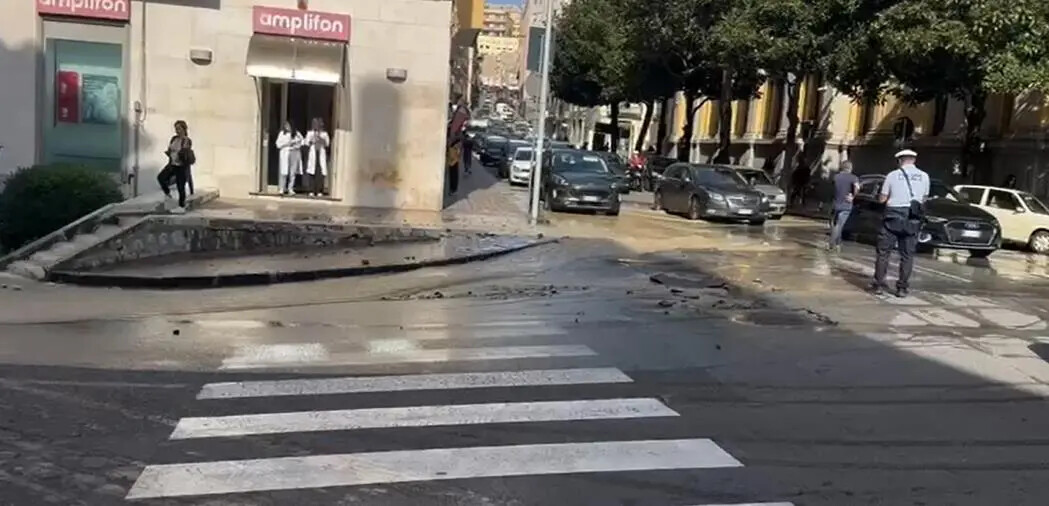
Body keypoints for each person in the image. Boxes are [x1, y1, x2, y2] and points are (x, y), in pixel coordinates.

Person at [870, 149, 930, 297]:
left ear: (900, 160)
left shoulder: (892, 175)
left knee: (883, 253)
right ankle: (902, 288)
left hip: (892, 217)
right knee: (907, 255)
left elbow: (882, 199)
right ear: (914, 160)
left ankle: (879, 285)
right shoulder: (924, 176)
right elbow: (923, 199)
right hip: (911, 218)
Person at [157, 120, 194, 213]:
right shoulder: (174, 138)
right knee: (161, 177)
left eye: (179, 128)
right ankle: (168, 194)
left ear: (184, 129)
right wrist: (169, 152)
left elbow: (185, 151)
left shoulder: (186, 140)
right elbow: (170, 148)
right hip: (172, 164)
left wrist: (179, 153)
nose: (177, 131)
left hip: (181, 166)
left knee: (180, 186)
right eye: (176, 129)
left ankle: (182, 206)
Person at [828, 160, 860, 252]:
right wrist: (853, 196)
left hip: (835, 203)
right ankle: (831, 244)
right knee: (839, 225)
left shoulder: (836, 177)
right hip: (846, 205)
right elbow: (857, 188)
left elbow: (832, 189)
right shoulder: (853, 178)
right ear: (850, 168)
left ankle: (838, 244)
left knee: (835, 224)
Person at [276, 121, 303, 195]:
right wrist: (287, 143)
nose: (287, 127)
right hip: (285, 153)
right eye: (286, 125)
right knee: (284, 171)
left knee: (292, 172)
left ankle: (290, 188)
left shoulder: (296, 133)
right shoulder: (282, 133)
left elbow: (302, 141)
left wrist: (296, 144)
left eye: (288, 125)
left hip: (294, 152)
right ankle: (282, 188)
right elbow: (278, 144)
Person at [304, 117, 330, 197]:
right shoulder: (310, 133)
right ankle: (311, 190)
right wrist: (312, 140)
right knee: (312, 172)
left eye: (318, 124)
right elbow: (306, 143)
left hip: (320, 154)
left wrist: (321, 139)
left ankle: (319, 190)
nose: (316, 126)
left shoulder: (324, 134)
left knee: (320, 173)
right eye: (314, 124)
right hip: (313, 154)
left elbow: (327, 144)